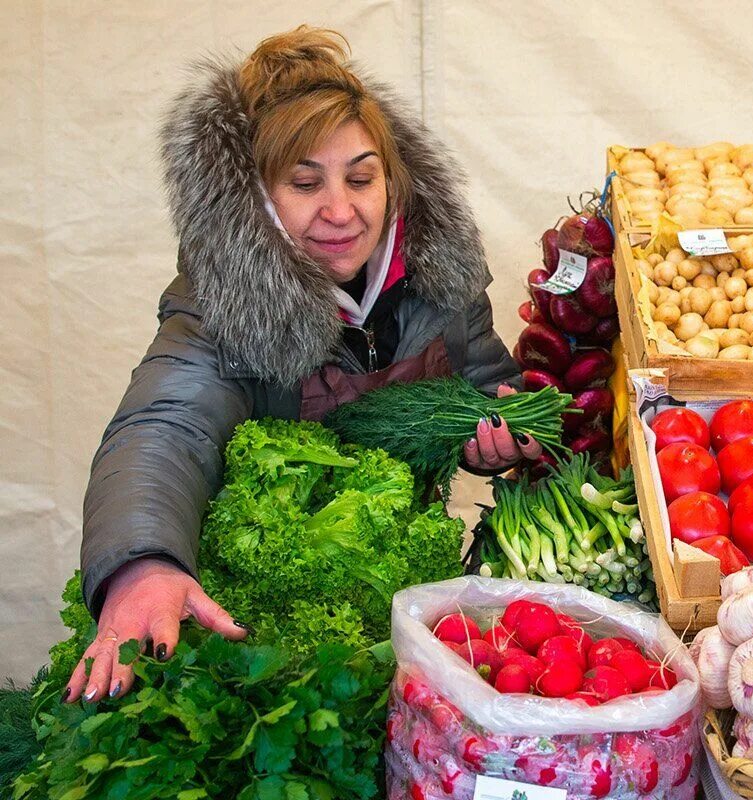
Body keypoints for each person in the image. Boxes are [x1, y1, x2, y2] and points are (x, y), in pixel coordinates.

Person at [66, 27, 537, 702]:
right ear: (259, 200)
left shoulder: (442, 277)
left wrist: (501, 443)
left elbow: (491, 384)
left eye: (362, 178)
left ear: (392, 181)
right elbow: (165, 426)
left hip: (407, 594)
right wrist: (142, 565)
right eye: (305, 182)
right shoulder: (221, 305)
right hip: (266, 619)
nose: (341, 211)